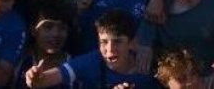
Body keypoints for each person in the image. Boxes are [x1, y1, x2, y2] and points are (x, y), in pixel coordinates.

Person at [25, 10, 154, 88]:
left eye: (117, 42)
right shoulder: (93, 61)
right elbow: (43, 81)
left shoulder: (151, 66)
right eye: (104, 42)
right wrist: (35, 80)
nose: (110, 50)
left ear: (132, 43)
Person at [11, 0, 73, 89]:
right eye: (48, 27)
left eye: (62, 28)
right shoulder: (19, 61)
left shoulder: (75, 66)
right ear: (33, 30)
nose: (56, 34)